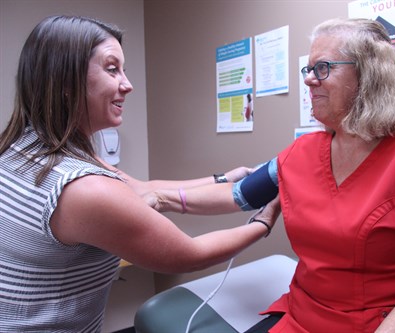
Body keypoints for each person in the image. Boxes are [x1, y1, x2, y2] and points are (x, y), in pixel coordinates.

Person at [146, 18, 395, 333]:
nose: (309, 78)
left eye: (322, 68)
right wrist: (162, 199)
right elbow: (238, 195)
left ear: (370, 75)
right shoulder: (301, 153)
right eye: (309, 69)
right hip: (304, 317)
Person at [0, 15, 281, 332]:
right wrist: (265, 220)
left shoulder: (26, 149)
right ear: (67, 82)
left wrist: (228, 177)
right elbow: (189, 254)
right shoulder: (81, 189)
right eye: (111, 68)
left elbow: (141, 188)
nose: (127, 84)